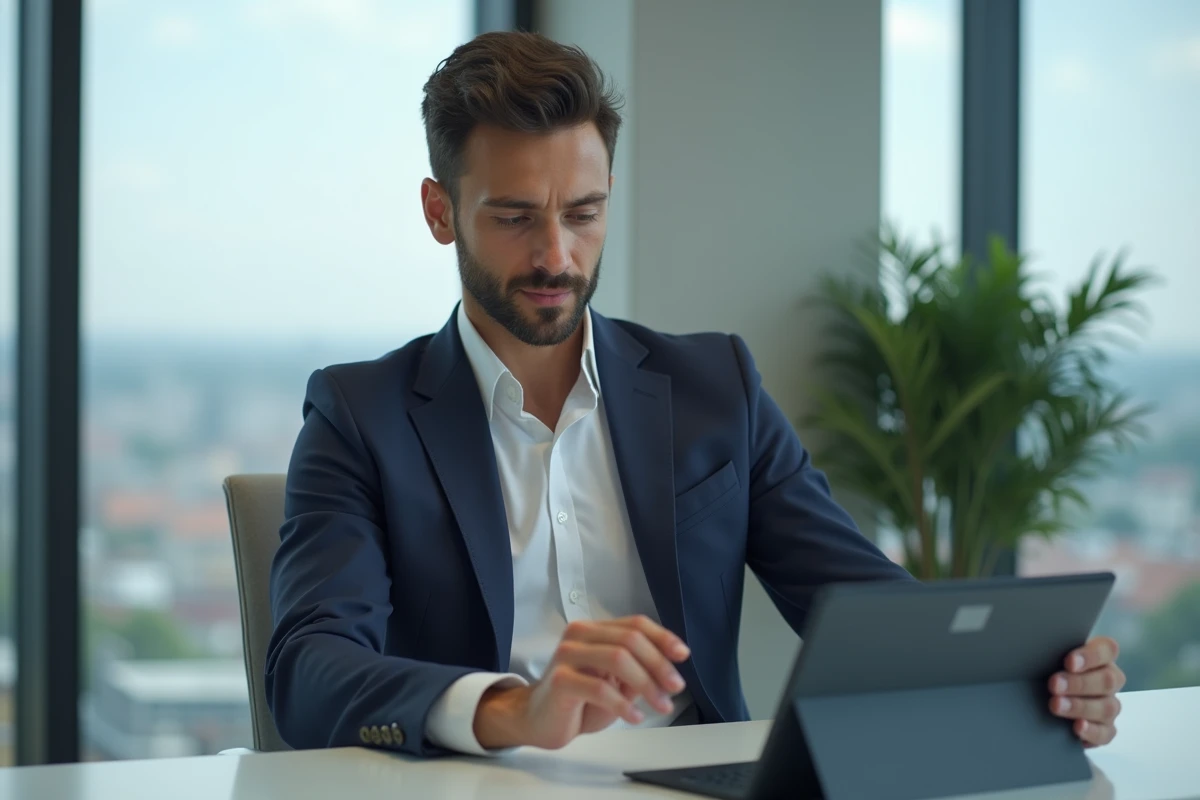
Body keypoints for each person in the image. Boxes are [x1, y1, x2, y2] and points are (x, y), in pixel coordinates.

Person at [265, 30, 1124, 758]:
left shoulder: (718, 388)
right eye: (515, 217)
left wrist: (1035, 679)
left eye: (585, 212)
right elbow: (308, 670)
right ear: (440, 211)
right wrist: (510, 708)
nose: (557, 256)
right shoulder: (359, 416)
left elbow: (862, 607)